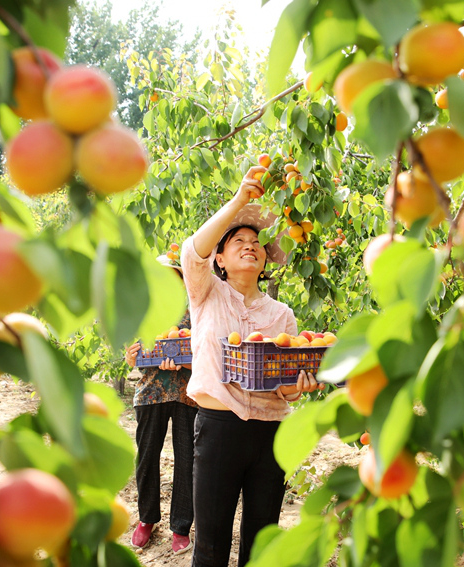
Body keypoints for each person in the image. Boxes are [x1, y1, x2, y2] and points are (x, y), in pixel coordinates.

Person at [180, 165, 322, 567]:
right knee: (210, 543)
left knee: (261, 541)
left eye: (256, 242)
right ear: (220, 259)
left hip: (269, 433)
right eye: (238, 240)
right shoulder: (206, 293)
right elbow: (192, 252)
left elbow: (283, 389)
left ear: (264, 260)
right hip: (218, 428)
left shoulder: (282, 316)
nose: (250, 245)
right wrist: (241, 201)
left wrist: (300, 388)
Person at [124, 256, 197, 555]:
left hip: (186, 393)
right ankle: (146, 520)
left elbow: (203, 355)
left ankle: (180, 527)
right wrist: (131, 357)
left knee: (186, 460)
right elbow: (133, 359)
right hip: (151, 392)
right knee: (147, 458)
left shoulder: (195, 314)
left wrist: (183, 360)